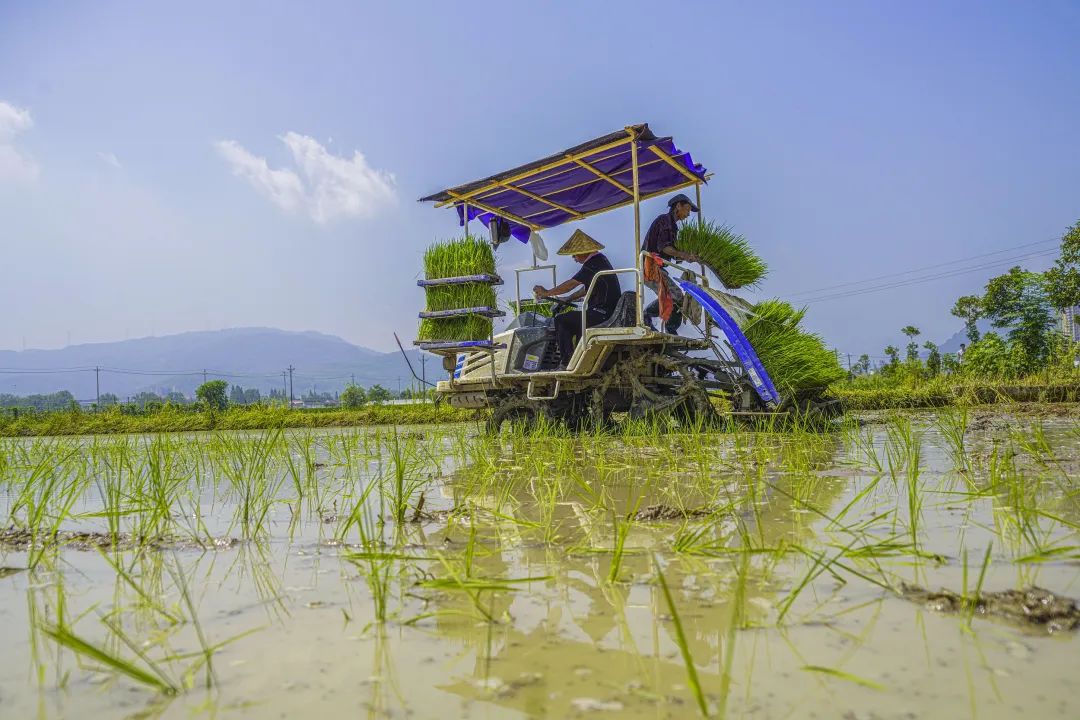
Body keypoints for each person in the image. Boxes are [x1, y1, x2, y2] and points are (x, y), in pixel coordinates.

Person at [533, 229, 621, 370]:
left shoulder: (593, 263)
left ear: (583, 251)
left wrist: (547, 293)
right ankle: (579, 361)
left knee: (561, 320)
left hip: (601, 313)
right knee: (576, 323)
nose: (573, 257)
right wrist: (568, 299)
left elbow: (571, 284)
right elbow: (586, 289)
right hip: (605, 311)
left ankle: (566, 362)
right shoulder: (600, 262)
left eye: (574, 254)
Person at [641, 193, 701, 333]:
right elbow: (664, 247)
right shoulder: (665, 221)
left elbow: (671, 252)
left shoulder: (673, 226)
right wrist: (683, 254)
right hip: (649, 267)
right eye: (687, 209)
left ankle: (671, 329)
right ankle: (646, 316)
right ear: (678, 206)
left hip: (659, 267)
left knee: (677, 298)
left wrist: (689, 255)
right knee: (676, 297)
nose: (687, 214)